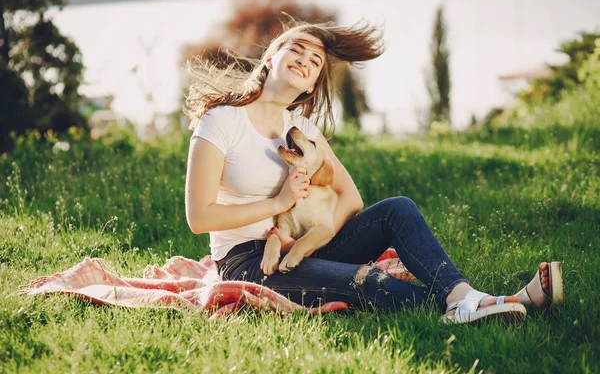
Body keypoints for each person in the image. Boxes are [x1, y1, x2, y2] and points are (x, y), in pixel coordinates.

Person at [183, 19, 562, 323]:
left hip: (305, 246)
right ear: (270, 58)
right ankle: (497, 305)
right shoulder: (222, 122)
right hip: (248, 262)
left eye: (315, 62)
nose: (304, 61)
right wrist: (278, 206)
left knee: (398, 207)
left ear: (312, 85)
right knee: (372, 282)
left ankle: (463, 297)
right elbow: (199, 218)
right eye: (295, 51)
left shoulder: (302, 130)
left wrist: (315, 239)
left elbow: (351, 198)